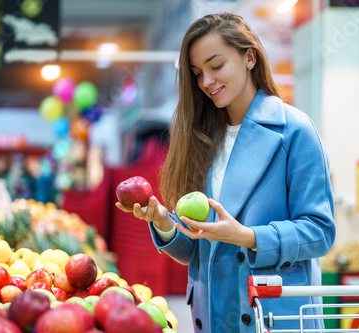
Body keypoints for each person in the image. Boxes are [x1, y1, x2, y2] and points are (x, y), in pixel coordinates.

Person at [116, 11, 335, 333]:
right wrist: (164, 221)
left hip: (274, 314)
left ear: (250, 58)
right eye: (197, 73)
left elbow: (320, 232)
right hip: (216, 315)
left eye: (216, 66)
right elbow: (197, 249)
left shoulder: (294, 130)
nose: (206, 81)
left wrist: (248, 237)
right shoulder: (200, 138)